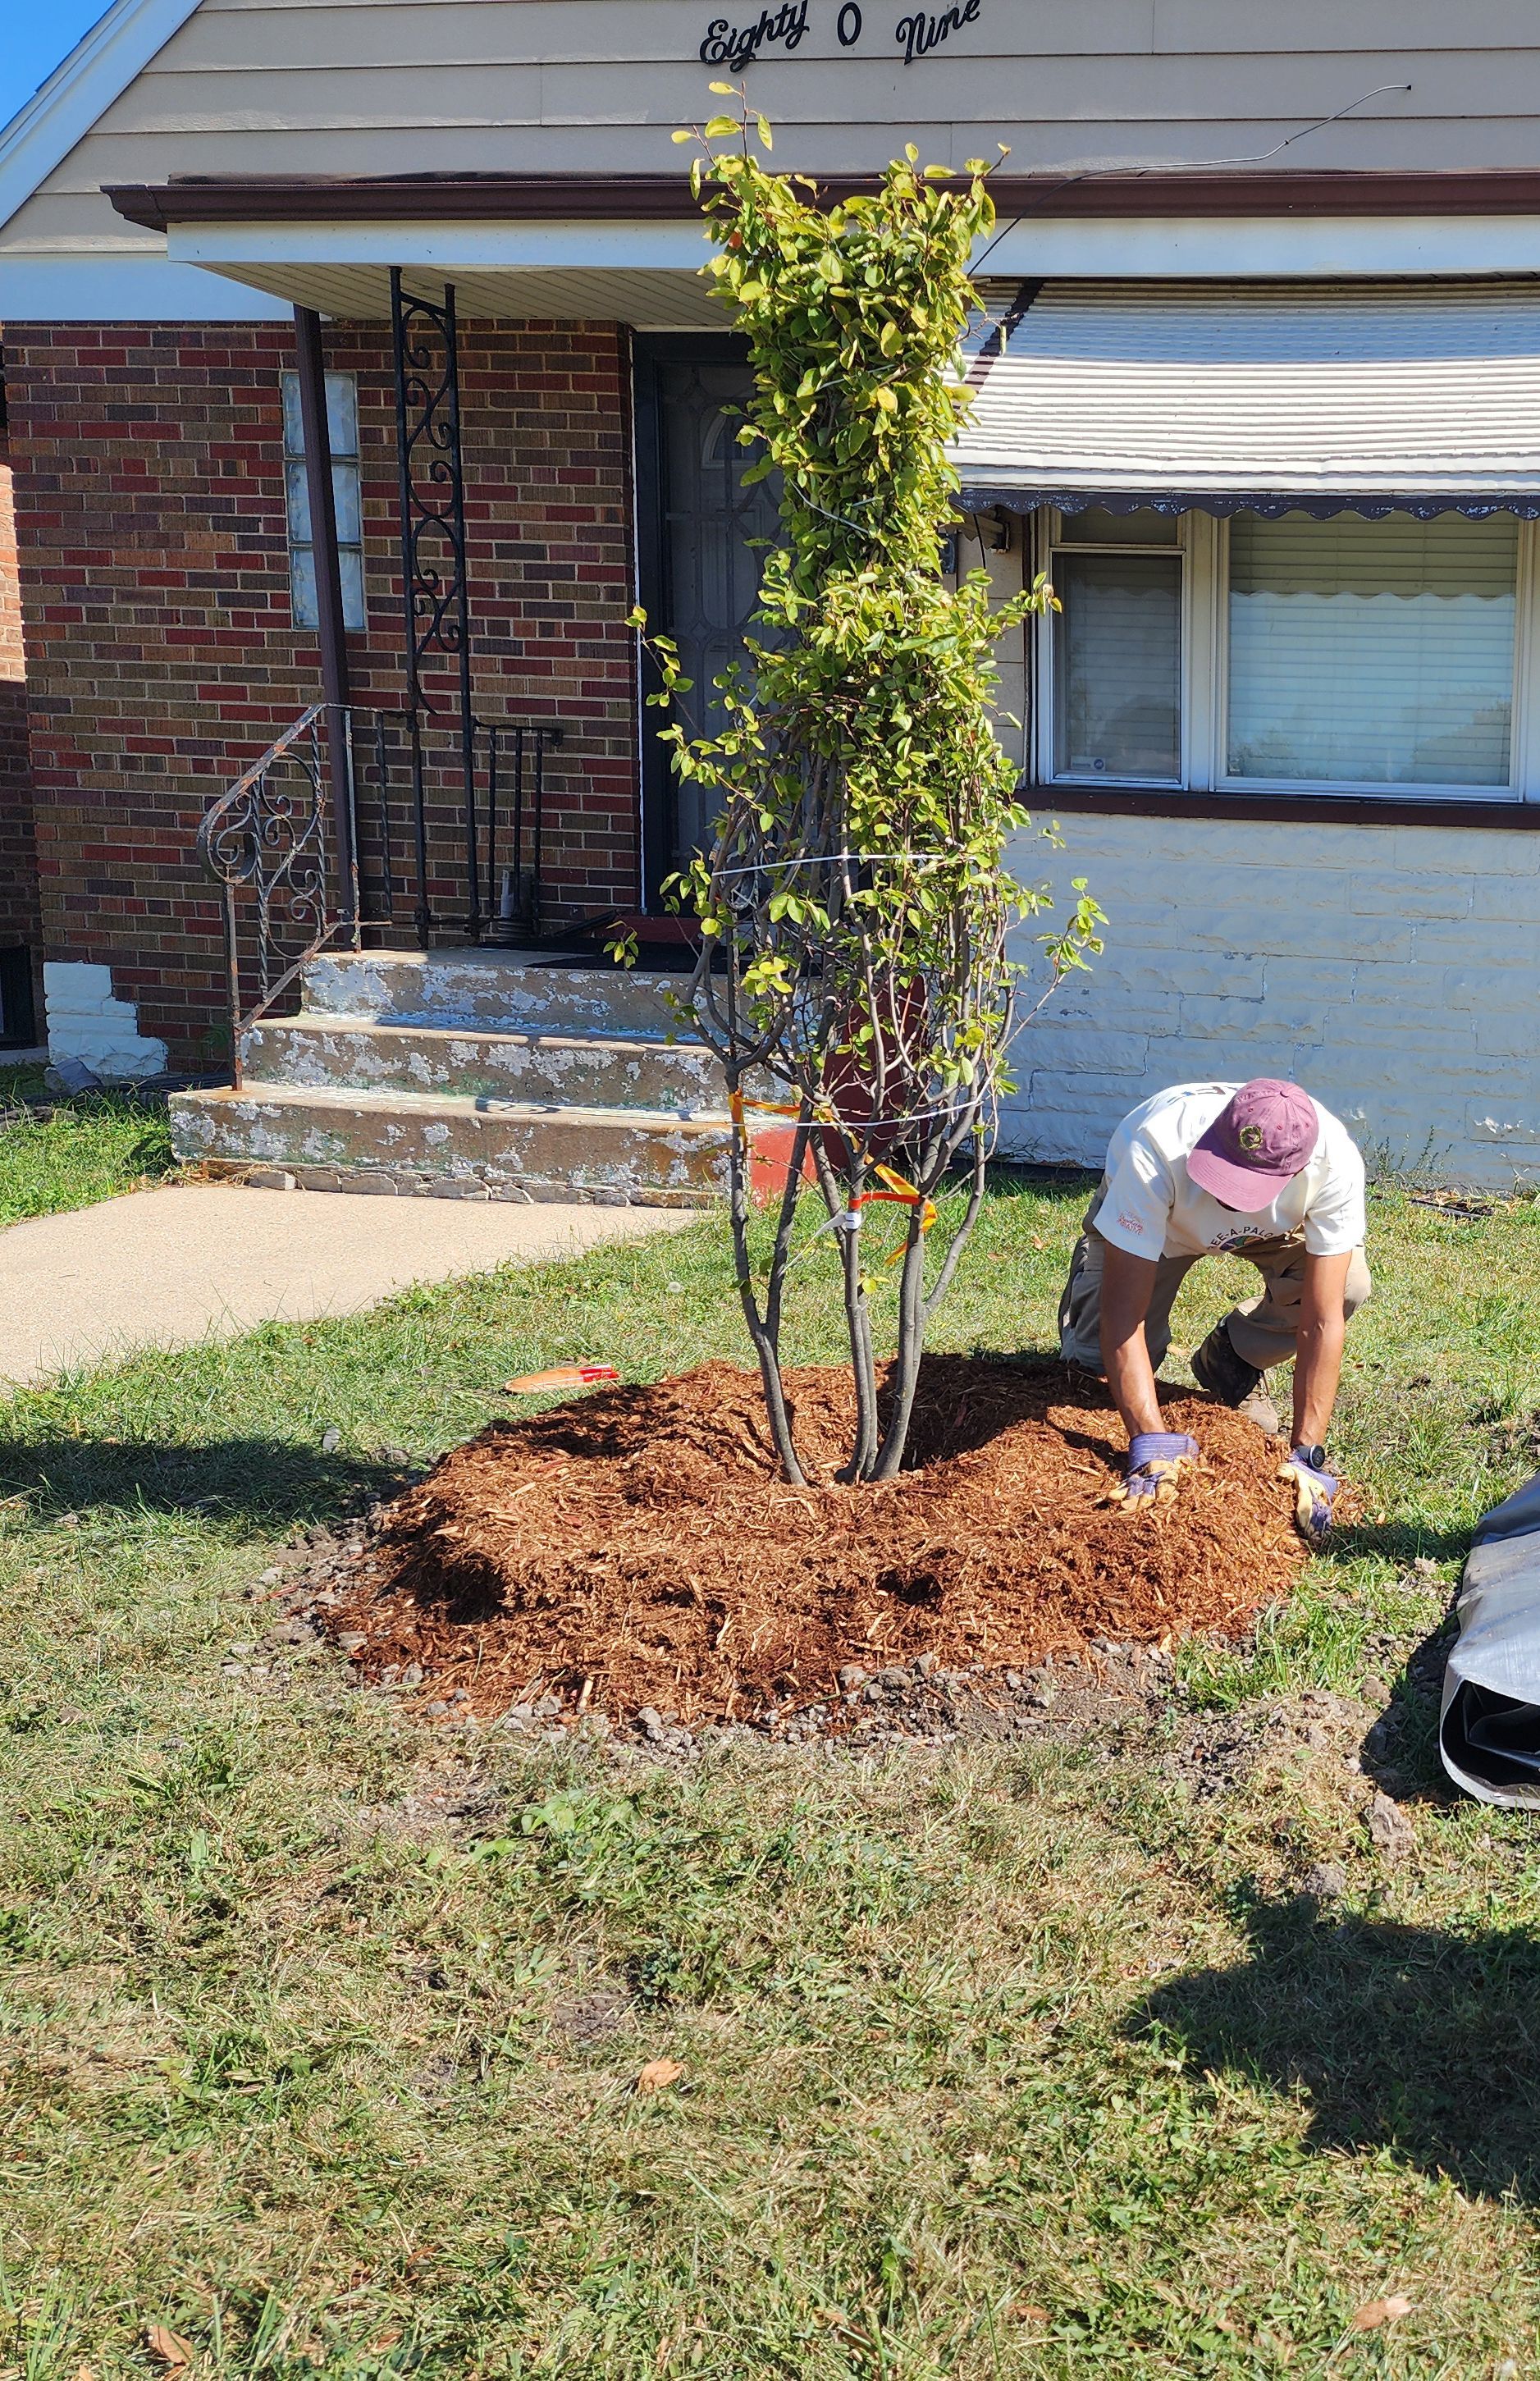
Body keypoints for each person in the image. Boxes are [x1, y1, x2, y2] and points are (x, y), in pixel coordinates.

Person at [1058, 1077, 1369, 1540]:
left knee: (1348, 1287)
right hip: (1159, 1229)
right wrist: (1150, 1440)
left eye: (1247, 1186)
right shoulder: (1156, 1147)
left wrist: (1308, 1454)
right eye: (1226, 1175)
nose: (1228, 1198)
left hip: (1272, 1232)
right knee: (1090, 1371)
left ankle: (1233, 1355)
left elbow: (1322, 1320)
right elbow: (1124, 1322)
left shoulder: (1335, 1161)